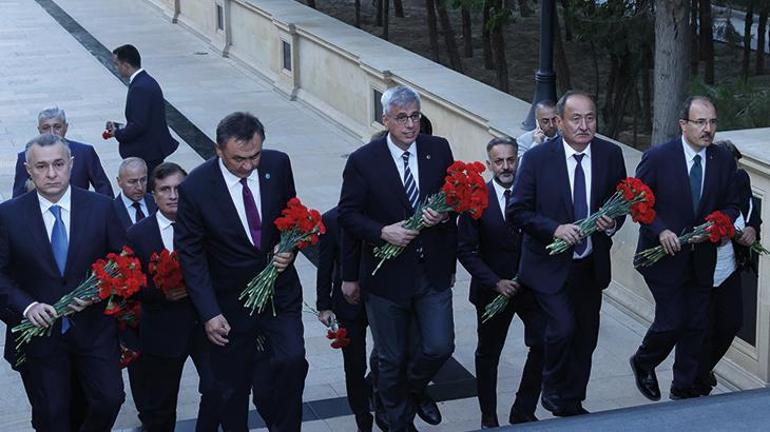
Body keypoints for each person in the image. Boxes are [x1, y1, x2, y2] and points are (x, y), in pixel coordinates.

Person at [175, 112, 307, 431]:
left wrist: (289, 247)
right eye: (239, 159)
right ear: (219, 150)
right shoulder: (196, 187)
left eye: (255, 156)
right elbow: (190, 255)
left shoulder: (278, 164)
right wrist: (208, 313)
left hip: (279, 293)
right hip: (230, 303)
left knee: (292, 362)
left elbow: (294, 217)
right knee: (232, 387)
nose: (248, 166)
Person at [338, 85, 456, 431]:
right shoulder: (364, 160)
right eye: (402, 118)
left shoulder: (438, 149)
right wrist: (382, 232)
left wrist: (445, 213)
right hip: (386, 275)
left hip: (431, 270)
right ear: (386, 119)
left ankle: (411, 391)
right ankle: (395, 422)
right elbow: (348, 215)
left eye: (415, 116)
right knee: (390, 356)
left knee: (439, 345)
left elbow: (453, 199)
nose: (410, 125)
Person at [508, 90, 627, 416]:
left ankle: (571, 403)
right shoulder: (536, 159)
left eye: (590, 118)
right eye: (576, 119)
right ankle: (552, 385)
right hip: (548, 264)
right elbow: (517, 211)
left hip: (590, 264)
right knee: (560, 328)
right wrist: (555, 229)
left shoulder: (610, 155)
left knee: (586, 338)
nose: (585, 125)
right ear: (559, 122)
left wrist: (610, 222)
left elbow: (621, 205)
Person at [0, 134, 125, 430]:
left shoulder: (101, 207)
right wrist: (27, 306)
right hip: (42, 337)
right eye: (41, 166)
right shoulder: (8, 215)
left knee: (110, 398)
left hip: (94, 331)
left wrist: (103, 292)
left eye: (58, 164)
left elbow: (124, 262)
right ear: (28, 170)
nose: (51, 173)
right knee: (52, 415)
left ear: (71, 164)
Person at [629, 96, 740, 401]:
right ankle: (644, 360)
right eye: (701, 122)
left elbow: (732, 205)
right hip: (662, 258)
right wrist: (660, 229)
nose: (708, 129)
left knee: (697, 324)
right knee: (674, 319)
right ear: (683, 125)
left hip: (702, 256)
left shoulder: (722, 160)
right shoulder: (658, 157)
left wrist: (718, 224)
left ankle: (683, 389)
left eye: (713, 122)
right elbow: (637, 203)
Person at [126, 162, 224, 431]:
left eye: (179, 188)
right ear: (153, 194)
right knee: (159, 407)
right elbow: (129, 286)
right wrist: (160, 293)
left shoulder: (208, 226)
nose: (173, 195)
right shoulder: (138, 235)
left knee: (219, 389)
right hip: (162, 332)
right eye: (164, 189)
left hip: (206, 326)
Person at [457, 137, 545, 428]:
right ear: (489, 164)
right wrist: (496, 283)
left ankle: (523, 408)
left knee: (546, 342)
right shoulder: (475, 199)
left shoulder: (533, 195)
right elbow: (466, 250)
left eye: (511, 160)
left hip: (530, 288)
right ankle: (488, 416)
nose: (506, 167)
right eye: (499, 161)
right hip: (491, 290)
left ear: (517, 160)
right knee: (488, 354)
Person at [693, 139, 762, 396]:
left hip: (730, 265)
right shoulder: (700, 183)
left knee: (731, 322)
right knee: (700, 328)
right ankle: (694, 379)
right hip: (700, 267)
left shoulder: (739, 178)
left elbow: (752, 211)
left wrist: (752, 228)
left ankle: (702, 370)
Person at [316, 206, 373, 432]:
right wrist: (324, 306)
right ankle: (362, 417)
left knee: (393, 354)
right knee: (354, 363)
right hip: (348, 302)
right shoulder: (331, 219)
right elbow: (325, 264)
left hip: (384, 297)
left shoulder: (383, 209)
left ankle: (376, 382)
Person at [108, 44, 179, 177]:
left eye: (116, 64)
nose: (116, 68)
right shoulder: (145, 81)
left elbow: (139, 125)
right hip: (151, 148)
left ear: (126, 65)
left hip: (147, 152)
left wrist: (117, 133)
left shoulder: (140, 87)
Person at [13, 107, 113, 198]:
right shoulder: (26, 156)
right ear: (39, 130)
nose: (52, 132)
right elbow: (18, 196)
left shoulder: (84, 152)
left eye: (57, 127)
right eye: (46, 128)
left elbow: (104, 188)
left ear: (66, 127)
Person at [113, 157, 157, 231]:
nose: (139, 187)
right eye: (132, 181)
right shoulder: (111, 211)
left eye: (143, 180)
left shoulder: (157, 202)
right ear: (119, 182)